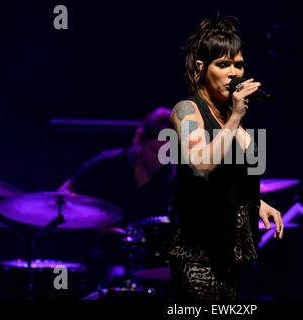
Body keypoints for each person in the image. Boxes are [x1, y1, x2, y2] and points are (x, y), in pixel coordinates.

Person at [167, 16, 284, 300]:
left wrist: (258, 203)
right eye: (222, 64)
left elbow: (229, 177)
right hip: (198, 258)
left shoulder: (231, 120)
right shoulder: (187, 110)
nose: (233, 73)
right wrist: (236, 117)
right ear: (201, 68)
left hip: (231, 257)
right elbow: (202, 165)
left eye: (239, 65)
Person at [58, 107, 175, 287]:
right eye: (154, 150)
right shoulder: (108, 165)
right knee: (117, 279)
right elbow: (63, 195)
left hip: (156, 263)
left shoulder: (174, 176)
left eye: (167, 153)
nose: (160, 159)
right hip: (107, 258)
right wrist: (95, 222)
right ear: (138, 139)